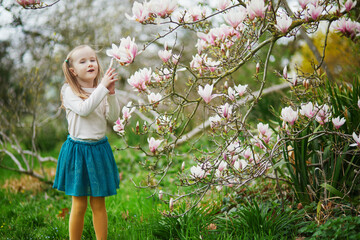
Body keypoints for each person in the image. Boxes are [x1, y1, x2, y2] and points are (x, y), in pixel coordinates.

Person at [53, 45, 120, 240]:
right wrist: (102, 89)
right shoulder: (69, 91)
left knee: (99, 204)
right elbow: (84, 109)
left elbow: (113, 117)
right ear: (73, 71)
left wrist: (112, 93)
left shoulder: (101, 90)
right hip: (78, 151)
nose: (90, 63)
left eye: (92, 59)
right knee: (79, 204)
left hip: (99, 150)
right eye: (83, 61)